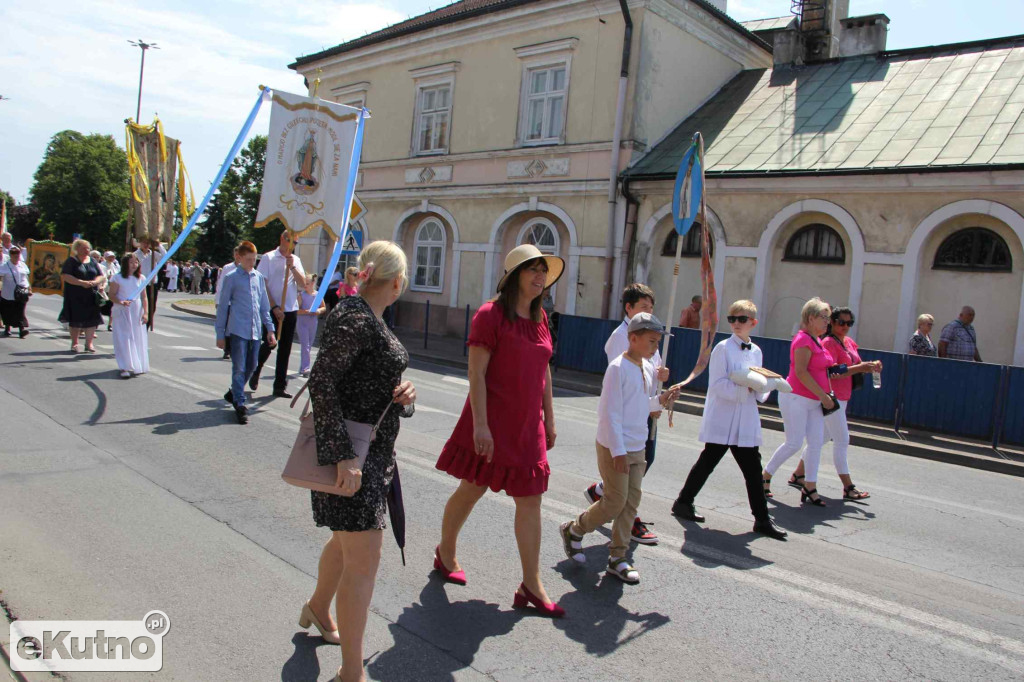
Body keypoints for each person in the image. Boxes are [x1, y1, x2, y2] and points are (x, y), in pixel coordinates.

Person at [303, 241, 416, 682]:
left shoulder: (367, 317)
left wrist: (406, 395)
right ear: (397, 283)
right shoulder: (353, 315)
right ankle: (352, 674)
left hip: (372, 453)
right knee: (363, 563)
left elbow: (365, 380)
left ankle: (316, 608)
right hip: (353, 456)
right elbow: (323, 380)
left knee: (345, 545)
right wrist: (343, 457)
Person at [434, 244, 566, 618]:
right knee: (471, 489)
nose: (540, 277)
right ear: (513, 276)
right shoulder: (490, 315)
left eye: (544, 270)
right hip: (491, 424)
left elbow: (544, 372)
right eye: (532, 270)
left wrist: (549, 418)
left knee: (531, 501)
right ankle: (445, 552)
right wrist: (481, 425)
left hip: (528, 428)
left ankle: (531, 584)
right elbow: (475, 373)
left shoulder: (541, 318)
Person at [560, 313, 680, 584]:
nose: (655, 347)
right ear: (633, 338)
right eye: (651, 341)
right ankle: (574, 529)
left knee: (631, 503)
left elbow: (642, 404)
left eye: (657, 342)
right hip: (615, 445)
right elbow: (610, 415)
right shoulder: (617, 368)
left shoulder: (647, 366)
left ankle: (617, 558)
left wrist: (662, 399)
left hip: (638, 445)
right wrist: (618, 452)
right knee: (615, 501)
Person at [671, 300, 788, 539]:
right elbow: (717, 385)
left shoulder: (756, 351)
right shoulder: (722, 348)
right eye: (732, 319)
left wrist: (763, 387)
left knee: (752, 470)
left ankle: (761, 519)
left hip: (744, 419)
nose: (736, 323)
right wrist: (743, 388)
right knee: (708, 461)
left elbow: (760, 387)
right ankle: (684, 502)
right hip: (724, 417)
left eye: (742, 319)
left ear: (753, 323)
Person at [583, 283, 668, 545]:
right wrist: (648, 402)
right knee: (630, 473)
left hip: (646, 408)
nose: (649, 313)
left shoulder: (649, 334)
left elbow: (653, 366)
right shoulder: (622, 336)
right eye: (644, 307)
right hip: (628, 415)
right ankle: (609, 518)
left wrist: (660, 379)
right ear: (628, 308)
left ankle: (603, 492)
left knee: (645, 461)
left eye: (652, 308)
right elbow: (622, 381)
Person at [787, 307, 879, 501]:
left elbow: (856, 364)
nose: (845, 326)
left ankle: (798, 475)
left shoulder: (849, 342)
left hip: (844, 396)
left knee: (820, 440)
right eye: (840, 322)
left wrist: (871, 366)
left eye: (849, 323)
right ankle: (848, 487)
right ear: (832, 323)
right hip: (832, 397)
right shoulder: (828, 342)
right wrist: (859, 368)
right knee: (842, 440)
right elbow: (831, 371)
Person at [761, 297, 835, 506]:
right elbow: (801, 373)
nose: (827, 322)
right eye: (824, 318)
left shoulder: (816, 340)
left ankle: (810, 485)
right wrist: (823, 396)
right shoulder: (803, 340)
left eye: (828, 318)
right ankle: (765, 475)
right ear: (811, 318)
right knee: (794, 442)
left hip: (813, 401)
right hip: (796, 398)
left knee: (815, 443)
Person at [215, 241, 278, 425]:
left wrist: (270, 330)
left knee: (253, 365)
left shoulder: (258, 277)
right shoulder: (232, 278)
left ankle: (234, 392)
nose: (252, 263)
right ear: (239, 258)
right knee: (239, 367)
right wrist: (220, 333)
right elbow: (223, 308)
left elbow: (264, 306)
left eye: (254, 259)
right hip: (238, 330)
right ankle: (240, 404)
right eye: (249, 259)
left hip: (255, 330)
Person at [252, 230, 307, 398]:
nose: (293, 246)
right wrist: (274, 307)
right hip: (272, 308)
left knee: (285, 349)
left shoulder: (295, 260)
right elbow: (262, 285)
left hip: (290, 308)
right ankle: (255, 369)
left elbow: (303, 283)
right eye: (291, 242)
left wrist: (293, 268)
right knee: (270, 343)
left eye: (296, 243)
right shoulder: (269, 258)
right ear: (283, 239)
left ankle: (279, 385)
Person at [61, 239, 107, 353]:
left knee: (92, 320)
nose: (87, 250)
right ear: (77, 249)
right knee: (75, 320)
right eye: (84, 248)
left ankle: (89, 344)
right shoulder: (71, 261)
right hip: (75, 296)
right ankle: (75, 343)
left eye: (88, 248)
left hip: (91, 295)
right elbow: (66, 276)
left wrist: (94, 282)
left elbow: (101, 276)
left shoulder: (92, 261)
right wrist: (81, 282)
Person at [108, 253, 150, 378]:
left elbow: (144, 297)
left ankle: (138, 364)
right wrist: (121, 302)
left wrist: (146, 313)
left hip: (136, 310)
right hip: (122, 309)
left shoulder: (141, 278)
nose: (134, 265)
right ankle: (124, 366)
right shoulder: (117, 278)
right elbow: (112, 294)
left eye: (136, 262)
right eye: (131, 262)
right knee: (124, 337)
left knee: (137, 337)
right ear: (125, 264)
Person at [133, 238, 165, 331]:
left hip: (152, 284)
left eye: (148, 243)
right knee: (140, 305)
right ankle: (137, 325)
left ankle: (146, 326)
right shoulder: (135, 254)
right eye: (144, 242)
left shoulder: (154, 254)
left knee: (152, 306)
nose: (146, 245)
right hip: (139, 284)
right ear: (140, 243)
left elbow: (165, 256)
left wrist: (159, 245)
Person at [297, 275, 326, 377]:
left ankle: (302, 367)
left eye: (307, 284)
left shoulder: (317, 295)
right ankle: (306, 368)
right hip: (302, 323)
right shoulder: (301, 295)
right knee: (306, 346)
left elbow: (323, 307)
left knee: (309, 344)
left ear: (313, 284)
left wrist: (318, 310)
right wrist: (306, 311)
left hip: (313, 322)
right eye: (304, 284)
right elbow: (297, 310)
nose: (305, 286)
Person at [0, 246, 31, 338]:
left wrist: (29, 288)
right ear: (10, 255)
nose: (16, 256)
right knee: (8, 310)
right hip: (8, 293)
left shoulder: (23, 265)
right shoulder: (5, 266)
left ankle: (21, 330)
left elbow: (26, 277)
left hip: (21, 292)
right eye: (14, 255)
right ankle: (7, 328)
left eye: (17, 254)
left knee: (20, 310)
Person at [216, 249, 240, 360]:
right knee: (228, 327)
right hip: (228, 302)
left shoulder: (247, 268)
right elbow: (220, 285)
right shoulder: (227, 268)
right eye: (235, 254)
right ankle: (227, 350)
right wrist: (218, 301)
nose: (237, 256)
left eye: (239, 254)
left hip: (240, 303)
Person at [98, 251, 119, 331]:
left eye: (113, 257)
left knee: (112, 308)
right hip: (104, 289)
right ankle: (96, 322)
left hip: (112, 290)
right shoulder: (102, 265)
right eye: (110, 257)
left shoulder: (115, 266)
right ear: (105, 257)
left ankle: (110, 324)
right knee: (100, 306)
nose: (111, 258)